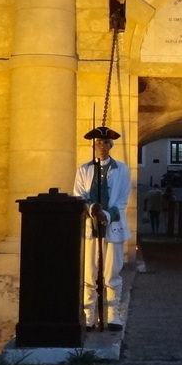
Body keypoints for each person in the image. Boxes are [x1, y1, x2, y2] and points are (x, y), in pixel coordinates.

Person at [73, 125, 131, 331]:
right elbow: (80, 196)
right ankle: (89, 314)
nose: (102, 146)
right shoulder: (84, 170)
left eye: (105, 142)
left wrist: (106, 214)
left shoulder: (122, 169)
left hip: (112, 226)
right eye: (98, 142)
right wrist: (92, 209)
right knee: (90, 273)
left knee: (111, 272)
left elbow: (122, 201)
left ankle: (113, 313)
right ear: (93, 145)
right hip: (91, 228)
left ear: (110, 145)